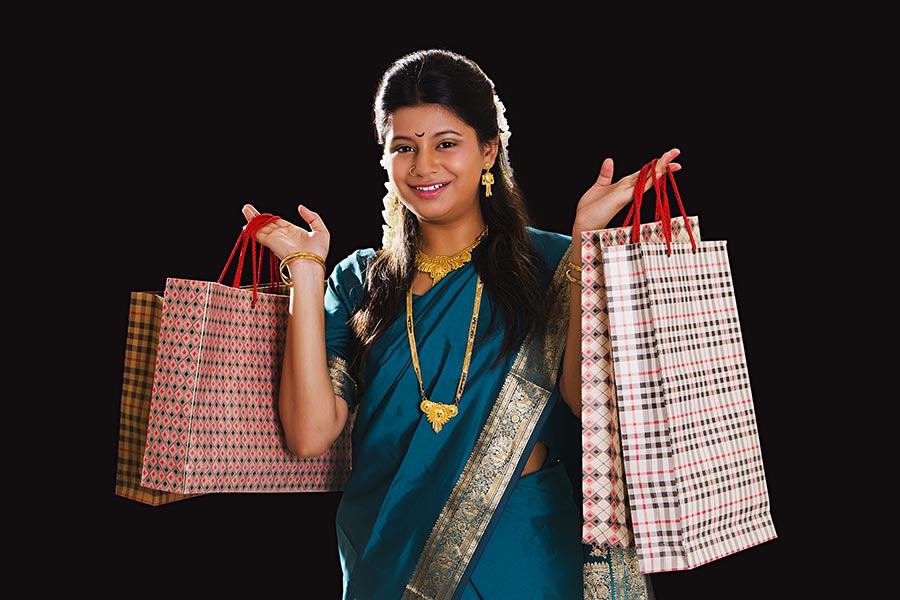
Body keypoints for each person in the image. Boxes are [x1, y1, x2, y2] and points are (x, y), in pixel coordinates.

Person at [242, 48, 680, 599]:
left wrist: (586, 245)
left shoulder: (551, 264)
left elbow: (580, 398)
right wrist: (306, 272)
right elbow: (309, 435)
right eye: (404, 147)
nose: (424, 166)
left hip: (518, 553)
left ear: (488, 149)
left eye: (446, 143)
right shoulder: (359, 281)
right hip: (388, 551)